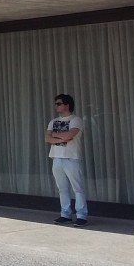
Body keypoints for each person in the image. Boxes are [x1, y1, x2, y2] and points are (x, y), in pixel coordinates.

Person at [44, 93, 87, 226]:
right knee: (62, 188)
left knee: (77, 188)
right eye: (56, 103)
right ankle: (65, 214)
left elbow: (70, 135)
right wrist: (61, 137)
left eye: (59, 103)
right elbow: (47, 138)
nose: (56, 106)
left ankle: (81, 215)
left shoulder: (76, 120)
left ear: (67, 105)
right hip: (56, 157)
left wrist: (55, 136)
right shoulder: (53, 121)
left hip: (71, 157)